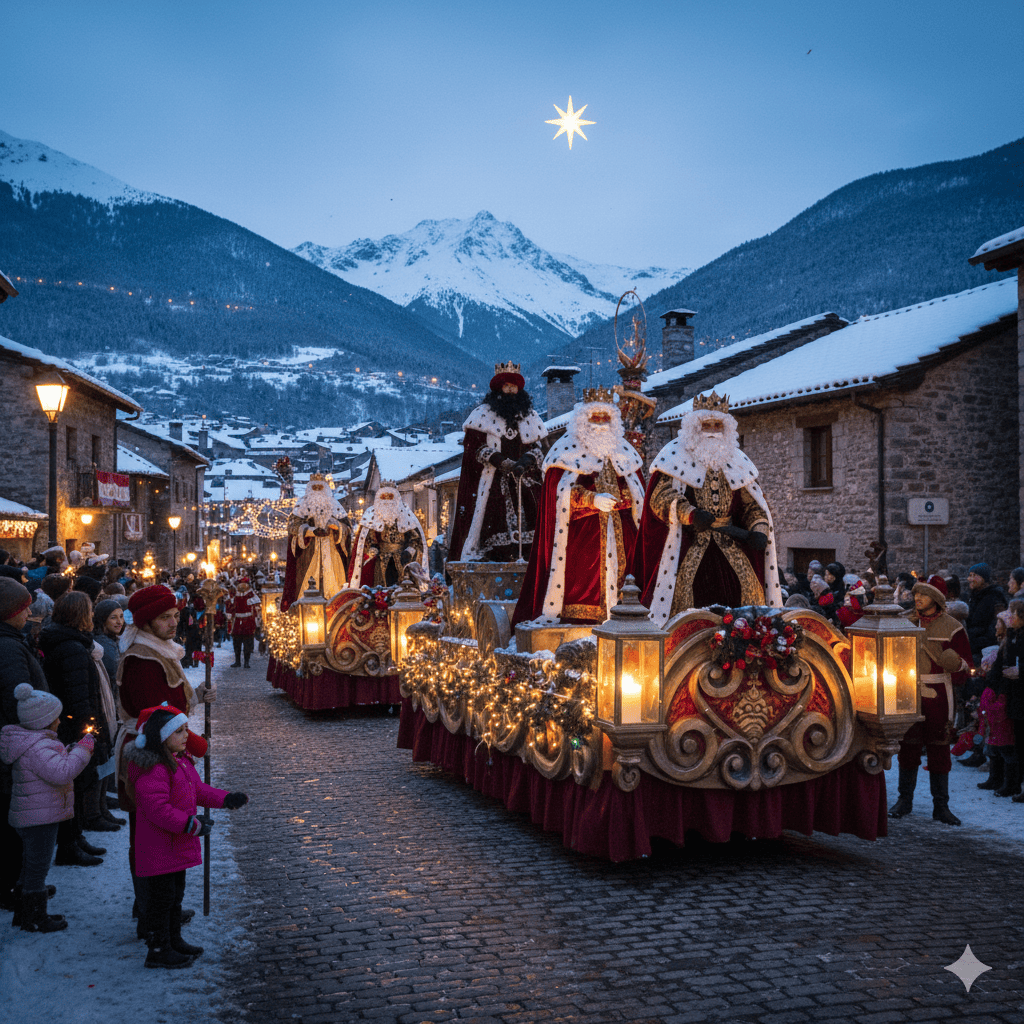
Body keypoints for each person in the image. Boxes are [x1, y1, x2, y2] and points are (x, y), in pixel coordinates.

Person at [631, 391, 783, 627]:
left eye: (717, 425)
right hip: (690, 544)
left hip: (732, 545)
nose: (712, 430)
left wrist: (759, 529)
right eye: (706, 425)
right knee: (684, 603)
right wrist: (689, 513)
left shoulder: (737, 461)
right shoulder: (674, 457)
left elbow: (752, 504)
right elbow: (660, 497)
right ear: (694, 427)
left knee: (748, 600)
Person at [117, 584, 214, 933]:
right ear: (146, 622)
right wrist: (195, 745)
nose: (174, 622)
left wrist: (198, 697)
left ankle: (160, 906)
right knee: (150, 835)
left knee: (164, 835)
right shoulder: (143, 659)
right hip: (150, 753)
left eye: (175, 615)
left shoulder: (159, 651)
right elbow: (155, 719)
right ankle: (151, 912)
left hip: (164, 747)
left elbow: (171, 705)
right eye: (165, 617)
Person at [126, 704, 247, 967]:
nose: (186, 736)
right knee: (162, 899)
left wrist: (226, 799)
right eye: (179, 731)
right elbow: (158, 810)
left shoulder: (179, 761)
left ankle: (173, 940)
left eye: (185, 730)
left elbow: (198, 790)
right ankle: (158, 949)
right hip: (160, 848)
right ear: (162, 737)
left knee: (175, 896)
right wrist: (190, 824)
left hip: (174, 846)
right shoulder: (154, 768)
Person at [512, 389, 645, 626]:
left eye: (606, 418)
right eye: (596, 417)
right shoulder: (566, 450)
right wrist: (591, 499)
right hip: (581, 537)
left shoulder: (623, 451)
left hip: (623, 534)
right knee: (580, 584)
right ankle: (580, 623)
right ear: (583, 419)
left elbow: (638, 491)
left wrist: (621, 498)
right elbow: (556, 493)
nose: (601, 423)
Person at [0, 684, 94, 931]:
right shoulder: (39, 746)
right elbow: (62, 772)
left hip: (32, 814)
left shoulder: (31, 742)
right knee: (37, 868)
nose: (60, 721)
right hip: (39, 819)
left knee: (29, 864)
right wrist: (83, 751)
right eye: (56, 717)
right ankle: (34, 917)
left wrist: (71, 750)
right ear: (44, 721)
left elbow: (54, 765)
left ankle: (23, 911)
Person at [38, 591, 118, 865]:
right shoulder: (71, 647)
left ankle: (76, 837)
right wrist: (89, 731)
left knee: (78, 785)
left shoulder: (71, 642)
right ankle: (69, 844)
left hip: (73, 722)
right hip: (74, 726)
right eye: (90, 611)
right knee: (76, 785)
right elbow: (78, 694)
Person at [889, 575, 972, 825]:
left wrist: (956, 664)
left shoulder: (953, 627)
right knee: (909, 746)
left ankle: (941, 806)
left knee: (939, 747)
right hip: (908, 691)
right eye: (916, 594)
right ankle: (904, 801)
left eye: (923, 594)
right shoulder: (904, 622)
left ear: (935, 599)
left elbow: (966, 668)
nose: (917, 598)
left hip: (939, 695)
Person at [447, 361, 547, 563]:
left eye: (514, 386)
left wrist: (527, 460)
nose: (511, 390)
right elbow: (473, 447)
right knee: (493, 519)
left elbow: (540, 448)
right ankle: (494, 560)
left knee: (534, 519)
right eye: (507, 386)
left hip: (524, 480)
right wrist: (499, 460)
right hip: (492, 483)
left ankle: (531, 562)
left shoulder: (531, 417)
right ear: (498, 388)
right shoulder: (481, 416)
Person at [0, 577, 51, 913]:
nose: (29, 612)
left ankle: (22, 882)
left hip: (20, 740)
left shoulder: (12, 642)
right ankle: (15, 886)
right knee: (13, 823)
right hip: (19, 743)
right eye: (23, 607)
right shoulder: (7, 647)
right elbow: (16, 696)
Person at [281, 474, 351, 610]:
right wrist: (310, 531)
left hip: (331, 552)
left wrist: (336, 526)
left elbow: (348, 529)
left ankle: (335, 611)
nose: (317, 491)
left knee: (334, 584)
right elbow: (292, 527)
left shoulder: (335, 506)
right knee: (308, 585)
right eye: (315, 488)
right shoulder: (301, 506)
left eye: (320, 488)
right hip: (309, 553)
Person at [348, 483, 427, 588]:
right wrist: (372, 548)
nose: (387, 504)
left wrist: (409, 550)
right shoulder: (372, 517)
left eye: (390, 499)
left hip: (402, 560)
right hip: (381, 560)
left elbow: (416, 538)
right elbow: (365, 539)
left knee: (403, 585)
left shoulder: (405, 517)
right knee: (381, 587)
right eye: (384, 500)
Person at [965, 562, 1007, 666]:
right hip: (972, 646)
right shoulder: (973, 597)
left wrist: (973, 644)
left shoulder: (995, 598)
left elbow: (995, 630)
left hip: (984, 652)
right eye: (970, 575)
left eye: (974, 575)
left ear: (984, 578)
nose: (970, 579)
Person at [227, 576, 260, 669]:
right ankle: (237, 661)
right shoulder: (235, 594)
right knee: (236, 643)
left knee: (247, 643)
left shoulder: (251, 594)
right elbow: (231, 605)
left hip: (248, 621)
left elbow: (256, 603)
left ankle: (246, 662)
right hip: (237, 621)